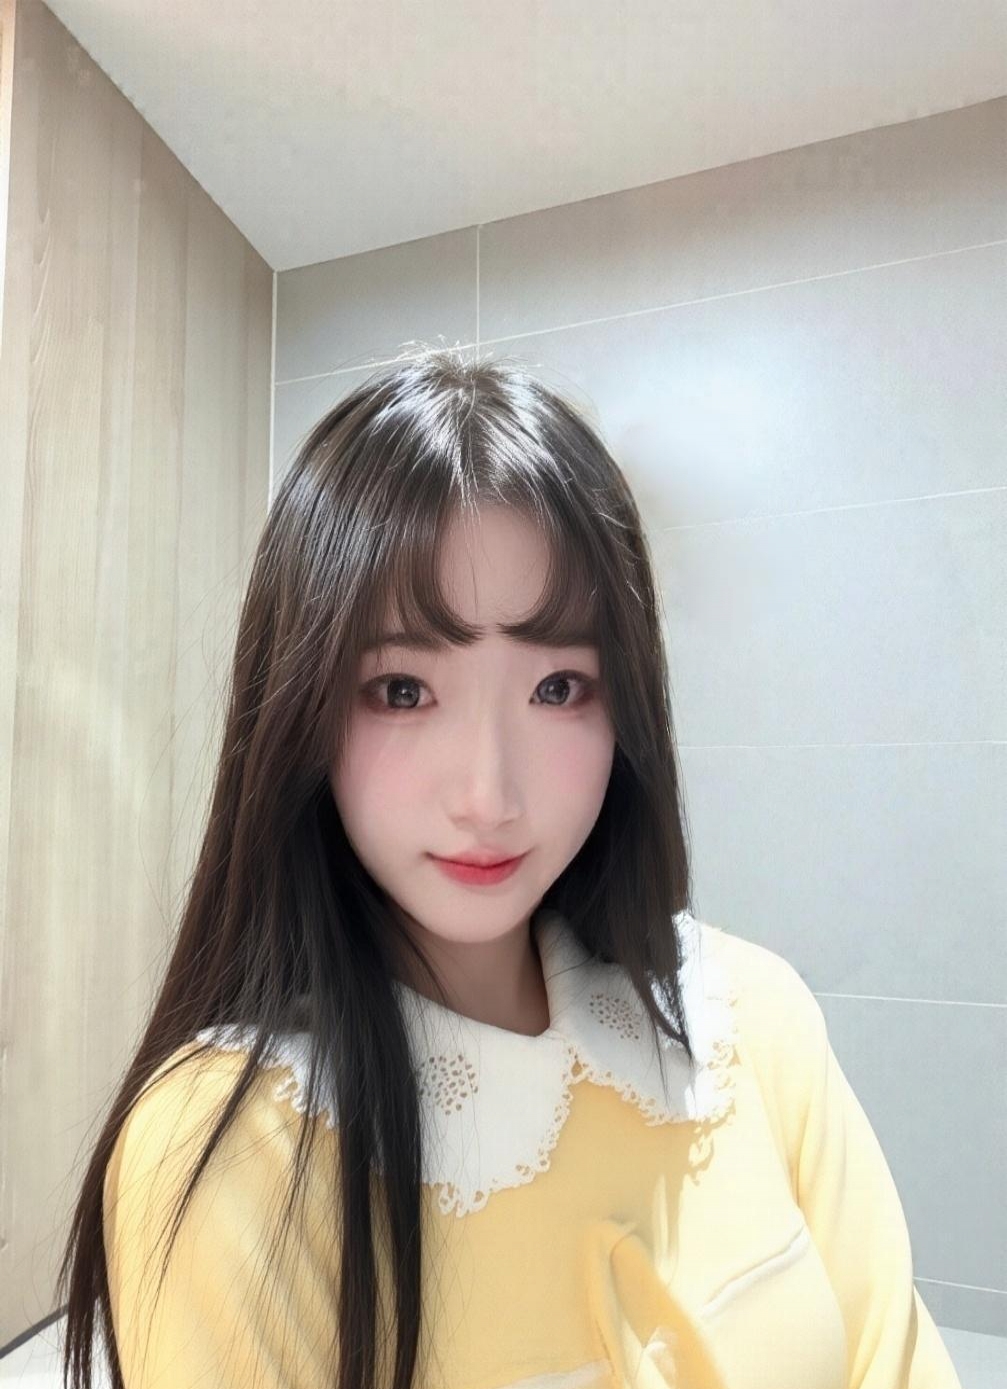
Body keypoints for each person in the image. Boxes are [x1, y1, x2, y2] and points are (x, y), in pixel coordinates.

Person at [57, 348, 961, 1388]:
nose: (488, 795)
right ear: (301, 709)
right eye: (401, 689)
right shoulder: (231, 1152)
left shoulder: (751, 1018)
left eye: (557, 687)